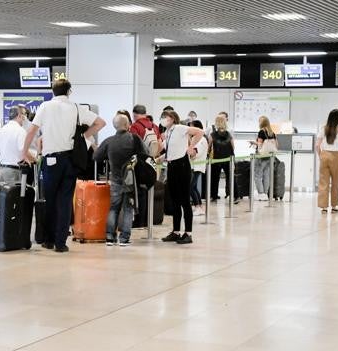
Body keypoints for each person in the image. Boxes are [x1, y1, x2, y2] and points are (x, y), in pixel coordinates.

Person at [22, 78, 97, 253]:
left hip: (51, 160)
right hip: (70, 160)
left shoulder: (45, 106)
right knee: (64, 201)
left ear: (52, 91)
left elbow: (32, 130)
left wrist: (24, 152)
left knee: (50, 200)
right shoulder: (77, 107)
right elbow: (100, 123)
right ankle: (61, 243)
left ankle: (48, 240)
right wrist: (83, 137)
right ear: (69, 91)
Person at [93, 114, 148, 246]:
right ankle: (124, 238)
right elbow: (145, 154)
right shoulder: (134, 139)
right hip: (130, 179)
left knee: (113, 208)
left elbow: (96, 157)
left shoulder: (108, 141)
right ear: (127, 124)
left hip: (115, 179)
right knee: (128, 208)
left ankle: (110, 237)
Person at [158, 110, 204, 244]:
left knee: (184, 200)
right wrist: (159, 158)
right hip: (171, 166)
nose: (163, 119)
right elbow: (170, 151)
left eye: (165, 117)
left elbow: (199, 132)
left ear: (172, 118)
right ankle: (176, 231)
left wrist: (191, 146)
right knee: (175, 201)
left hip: (182, 166)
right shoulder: (167, 132)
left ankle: (188, 233)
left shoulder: (179, 128)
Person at [316, 108, 338, 213]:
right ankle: (334, 206)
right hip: (336, 155)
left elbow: (317, 145)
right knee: (336, 182)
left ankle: (323, 207)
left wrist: (321, 156)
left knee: (323, 182)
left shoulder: (324, 128)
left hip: (324, 154)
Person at [0, 105, 29, 186]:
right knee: (14, 197)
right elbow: (24, 150)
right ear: (19, 115)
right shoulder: (20, 131)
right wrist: (34, 159)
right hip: (14, 171)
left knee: (4, 197)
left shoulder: (2, 130)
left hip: (2, 170)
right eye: (24, 114)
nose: (25, 117)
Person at [209, 114, 235, 201]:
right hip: (228, 158)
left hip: (216, 159)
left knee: (215, 178)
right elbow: (233, 147)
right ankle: (235, 196)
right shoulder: (229, 134)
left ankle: (214, 196)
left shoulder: (212, 135)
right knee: (231, 177)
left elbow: (209, 147)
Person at [253, 116, 279, 200]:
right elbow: (277, 145)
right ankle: (265, 193)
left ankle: (261, 194)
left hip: (262, 156)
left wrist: (254, 142)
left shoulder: (261, 132)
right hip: (270, 156)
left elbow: (260, 144)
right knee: (266, 175)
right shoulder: (272, 132)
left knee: (257, 175)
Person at [188, 120, 209, 212]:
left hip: (197, 166)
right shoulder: (195, 139)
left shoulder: (202, 139)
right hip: (193, 166)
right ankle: (199, 206)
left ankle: (197, 206)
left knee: (190, 187)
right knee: (194, 187)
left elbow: (195, 153)